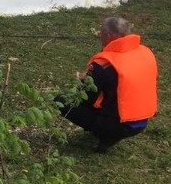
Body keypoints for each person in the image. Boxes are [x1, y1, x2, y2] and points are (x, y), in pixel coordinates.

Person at [58, 16, 159, 153]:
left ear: (108, 35)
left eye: (101, 33)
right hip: (142, 120)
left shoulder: (104, 65)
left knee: (61, 101)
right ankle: (109, 132)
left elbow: (86, 97)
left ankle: (106, 135)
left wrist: (82, 80)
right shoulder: (145, 53)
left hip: (119, 124)